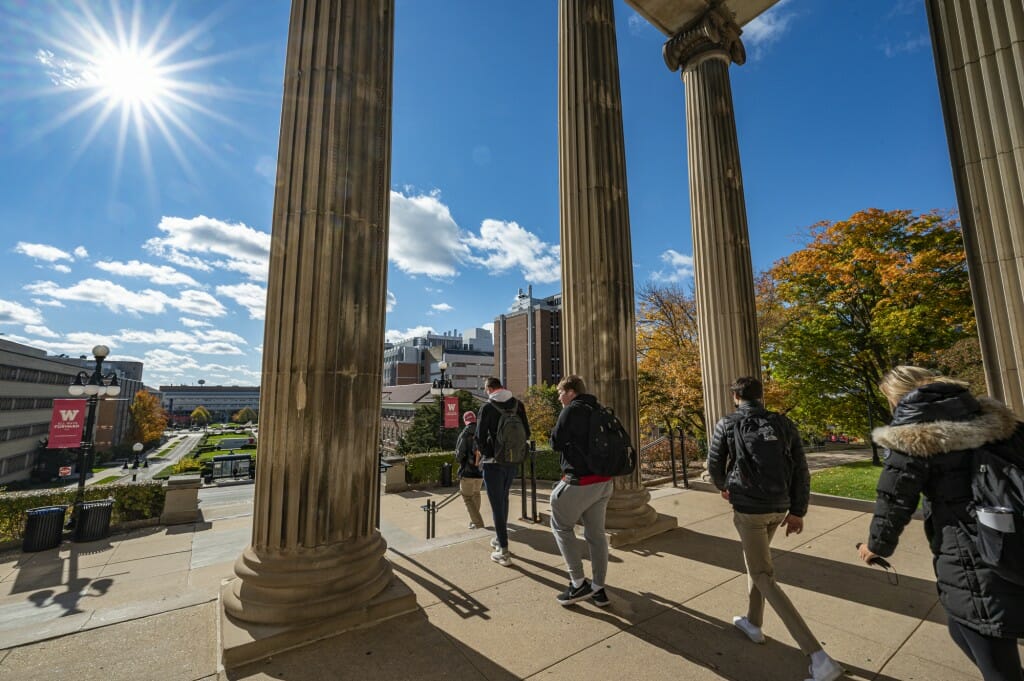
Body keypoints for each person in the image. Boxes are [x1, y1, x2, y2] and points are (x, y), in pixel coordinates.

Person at [859, 366, 1024, 681]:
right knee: (964, 629)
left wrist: (876, 546)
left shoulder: (913, 436)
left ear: (899, 397)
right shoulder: (994, 419)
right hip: (1011, 537)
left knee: (991, 652)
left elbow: (893, 502)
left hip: (970, 553)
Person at [707, 376, 844, 681]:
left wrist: (723, 486)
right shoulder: (783, 423)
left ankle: (818, 656)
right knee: (757, 564)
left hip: (749, 509)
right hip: (779, 505)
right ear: (762, 396)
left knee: (762, 574)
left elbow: (714, 464)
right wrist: (797, 510)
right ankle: (753, 623)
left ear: (735, 397)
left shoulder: (728, 423)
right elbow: (801, 468)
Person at [548, 375, 614, 606]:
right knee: (596, 536)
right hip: (604, 482)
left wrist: (561, 418)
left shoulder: (571, 410)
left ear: (570, 392)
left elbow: (555, 443)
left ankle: (578, 583)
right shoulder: (598, 408)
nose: (558, 397)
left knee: (560, 526)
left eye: (560, 392)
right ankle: (598, 588)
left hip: (580, 482)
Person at [476, 376, 530, 566]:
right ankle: (500, 539)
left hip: (493, 463)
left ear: (490, 389)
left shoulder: (487, 408)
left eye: (485, 389)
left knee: (496, 505)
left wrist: (487, 453)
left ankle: (504, 551)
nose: (485, 392)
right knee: (504, 499)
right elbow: (527, 433)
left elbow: (479, 437)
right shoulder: (518, 405)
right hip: (513, 461)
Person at [454, 410, 485, 529]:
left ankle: (478, 523)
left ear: (465, 421)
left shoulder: (465, 433)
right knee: (476, 494)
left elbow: (459, 455)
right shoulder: (482, 432)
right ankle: (474, 520)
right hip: (480, 471)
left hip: (467, 472)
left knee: (467, 497)